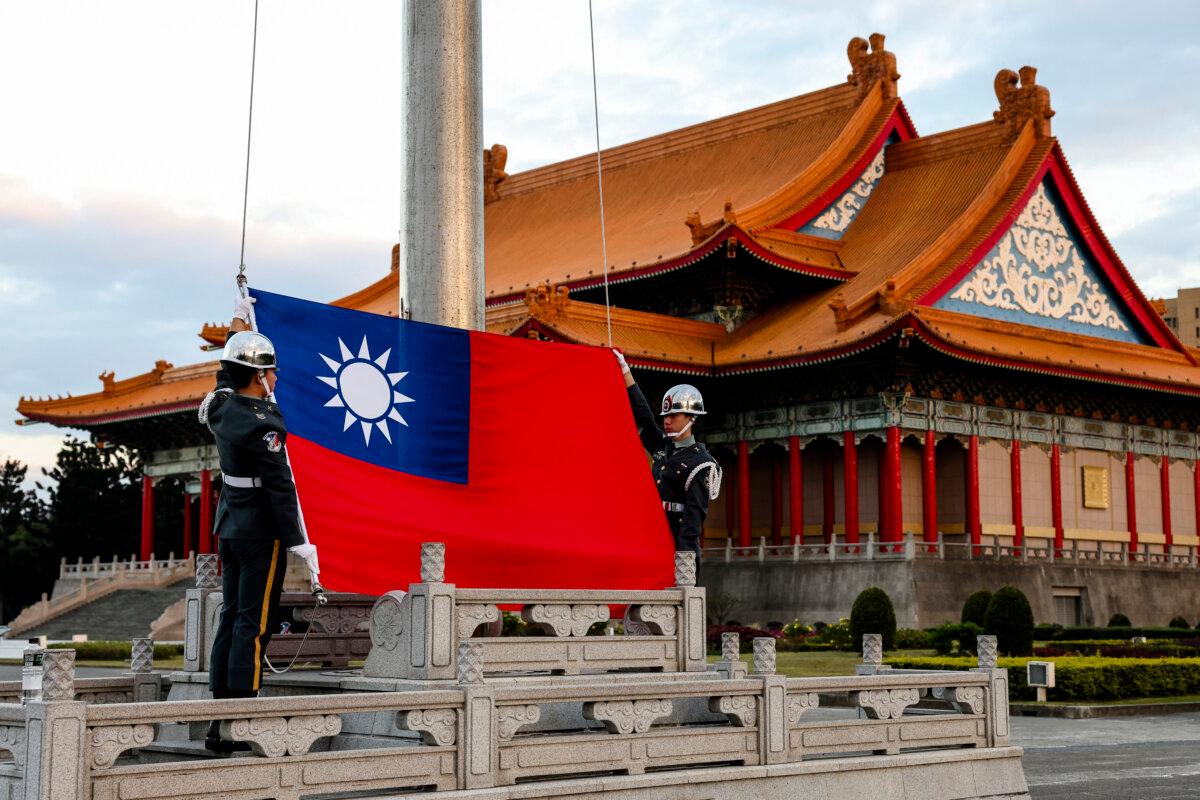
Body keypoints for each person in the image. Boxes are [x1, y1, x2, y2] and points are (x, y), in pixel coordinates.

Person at [197, 296, 320, 753]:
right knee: (255, 620)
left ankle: (217, 718)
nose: (275, 377)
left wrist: (237, 323)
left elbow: (223, 375)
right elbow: (281, 487)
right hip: (258, 532)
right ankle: (243, 714)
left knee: (230, 617)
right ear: (257, 376)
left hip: (229, 527)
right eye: (270, 371)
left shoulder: (222, 408)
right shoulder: (264, 422)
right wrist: (299, 542)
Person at [613, 349, 721, 562]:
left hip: (678, 547)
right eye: (665, 415)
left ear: (692, 418)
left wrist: (683, 561)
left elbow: (692, 521)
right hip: (652, 539)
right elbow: (644, 417)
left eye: (674, 415)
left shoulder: (702, 463)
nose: (667, 420)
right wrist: (625, 372)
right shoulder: (663, 448)